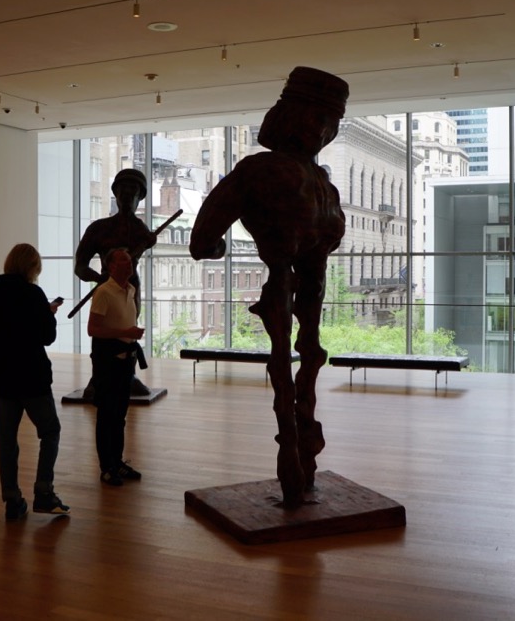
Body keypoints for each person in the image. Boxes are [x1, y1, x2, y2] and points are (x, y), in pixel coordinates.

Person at [190, 66, 349, 508]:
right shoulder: (321, 184)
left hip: (286, 290)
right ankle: (298, 469)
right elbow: (202, 241)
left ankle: (297, 469)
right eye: (320, 120)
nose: (323, 130)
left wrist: (219, 248)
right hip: (301, 293)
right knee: (303, 358)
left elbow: (203, 241)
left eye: (329, 122)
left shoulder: (266, 172)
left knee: (293, 364)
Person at [0, 243, 69, 520]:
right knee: (50, 431)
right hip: (32, 378)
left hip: (2, 379)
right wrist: (49, 314)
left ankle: (12, 500)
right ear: (31, 267)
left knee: (7, 441)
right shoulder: (33, 293)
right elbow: (47, 337)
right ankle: (43, 492)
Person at [74, 169, 156, 397]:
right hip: (107, 289)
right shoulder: (99, 229)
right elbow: (80, 266)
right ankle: (98, 378)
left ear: (140, 197)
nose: (128, 196)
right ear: (116, 195)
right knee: (103, 330)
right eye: (123, 191)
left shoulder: (141, 230)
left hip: (131, 289)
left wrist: (148, 242)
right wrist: (99, 278)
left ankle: (128, 376)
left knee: (128, 330)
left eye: (133, 192)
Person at [87, 248, 146, 486]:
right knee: (106, 414)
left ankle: (117, 462)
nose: (129, 263)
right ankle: (106, 467)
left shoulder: (131, 290)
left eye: (129, 260)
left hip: (126, 361)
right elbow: (93, 329)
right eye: (123, 260)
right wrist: (125, 332)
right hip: (108, 362)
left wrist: (130, 335)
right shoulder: (103, 292)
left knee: (120, 414)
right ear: (110, 266)